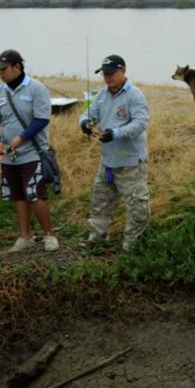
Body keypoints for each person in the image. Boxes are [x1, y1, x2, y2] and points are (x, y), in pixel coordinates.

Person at [0, 49, 59, 253]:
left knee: (35, 194)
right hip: (9, 155)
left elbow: (42, 119)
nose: (1, 73)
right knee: (19, 196)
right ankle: (25, 236)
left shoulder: (37, 88)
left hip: (33, 152)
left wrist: (21, 137)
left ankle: (49, 235)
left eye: (4, 69)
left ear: (17, 67)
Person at [79, 54, 150, 252]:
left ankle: (132, 246)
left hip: (130, 162)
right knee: (100, 202)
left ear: (123, 71)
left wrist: (116, 133)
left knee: (137, 206)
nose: (108, 77)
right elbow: (88, 113)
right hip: (108, 161)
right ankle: (97, 238)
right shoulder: (101, 95)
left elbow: (141, 122)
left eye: (111, 73)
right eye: (105, 74)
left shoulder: (135, 95)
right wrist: (85, 123)